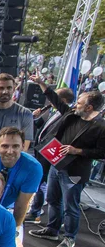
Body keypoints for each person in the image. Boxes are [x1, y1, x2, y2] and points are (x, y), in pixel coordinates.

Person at [28, 79, 105, 247]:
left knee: (70, 205)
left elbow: (102, 152)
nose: (75, 105)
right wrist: (42, 84)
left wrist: (77, 151)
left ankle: (69, 237)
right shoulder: (72, 115)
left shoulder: (101, 128)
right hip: (56, 165)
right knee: (53, 199)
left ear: (89, 107)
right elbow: (56, 100)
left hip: (75, 171)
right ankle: (52, 229)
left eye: (79, 103)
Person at [26, 88, 75, 222]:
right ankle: (35, 212)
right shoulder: (54, 112)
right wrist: (36, 118)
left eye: (54, 97)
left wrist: (41, 84)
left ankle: (38, 213)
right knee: (40, 184)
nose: (49, 100)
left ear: (62, 100)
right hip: (42, 152)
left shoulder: (69, 115)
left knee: (44, 186)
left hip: (51, 155)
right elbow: (47, 129)